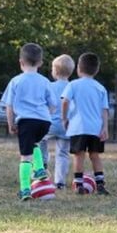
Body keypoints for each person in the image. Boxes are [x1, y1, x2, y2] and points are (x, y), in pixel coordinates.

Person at [1, 43, 56, 201]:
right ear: (40, 63)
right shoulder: (45, 81)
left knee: (25, 157)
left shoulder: (16, 81)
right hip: (44, 122)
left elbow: (9, 105)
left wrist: (11, 123)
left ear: (21, 62)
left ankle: (25, 189)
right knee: (35, 143)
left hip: (26, 121)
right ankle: (39, 169)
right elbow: (53, 104)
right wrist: (47, 114)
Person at [61, 53, 110, 195]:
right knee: (95, 155)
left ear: (78, 68)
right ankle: (100, 184)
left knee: (79, 155)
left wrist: (64, 118)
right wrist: (105, 127)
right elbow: (104, 110)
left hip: (78, 127)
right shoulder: (100, 88)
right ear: (97, 69)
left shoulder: (73, 85)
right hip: (95, 128)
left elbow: (65, 101)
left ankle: (79, 184)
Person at [39, 54, 75, 189]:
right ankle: (60, 182)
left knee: (40, 141)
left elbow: (44, 103)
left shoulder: (49, 86)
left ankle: (42, 163)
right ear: (71, 71)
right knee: (63, 153)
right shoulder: (72, 86)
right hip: (66, 126)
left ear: (54, 71)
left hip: (49, 124)